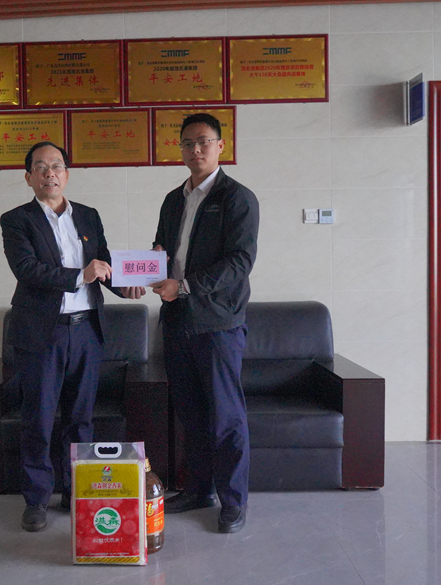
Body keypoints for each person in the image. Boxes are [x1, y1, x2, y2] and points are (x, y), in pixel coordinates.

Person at [0, 141, 144, 532]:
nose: (50, 173)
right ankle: (37, 499)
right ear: (28, 177)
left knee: (81, 419)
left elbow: (104, 264)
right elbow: (27, 269)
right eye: (41, 167)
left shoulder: (88, 216)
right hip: (41, 334)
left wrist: (125, 286)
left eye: (57, 166)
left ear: (67, 174)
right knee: (39, 418)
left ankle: (76, 491)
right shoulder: (16, 220)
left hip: (86, 331)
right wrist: (80, 275)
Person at [151, 113, 259, 534]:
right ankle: (198, 490)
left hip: (217, 323)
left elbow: (239, 262)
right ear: (179, 149)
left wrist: (185, 286)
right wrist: (146, 269)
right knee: (191, 413)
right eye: (187, 143)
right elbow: (163, 249)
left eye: (203, 142)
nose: (195, 150)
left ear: (220, 146)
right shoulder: (173, 199)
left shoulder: (237, 198)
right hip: (176, 319)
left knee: (225, 417)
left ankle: (233, 502)